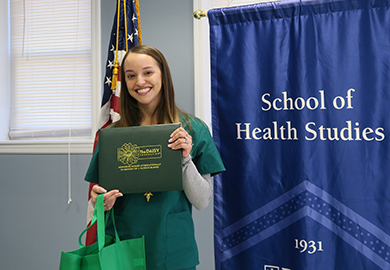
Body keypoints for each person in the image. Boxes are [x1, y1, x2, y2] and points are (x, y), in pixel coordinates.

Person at [84, 45, 225, 270]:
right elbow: (94, 209)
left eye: (148, 72)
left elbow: (202, 201)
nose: (139, 81)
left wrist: (185, 160)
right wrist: (99, 202)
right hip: (122, 252)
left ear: (163, 75)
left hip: (173, 253)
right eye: (130, 76)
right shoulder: (112, 136)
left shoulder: (193, 130)